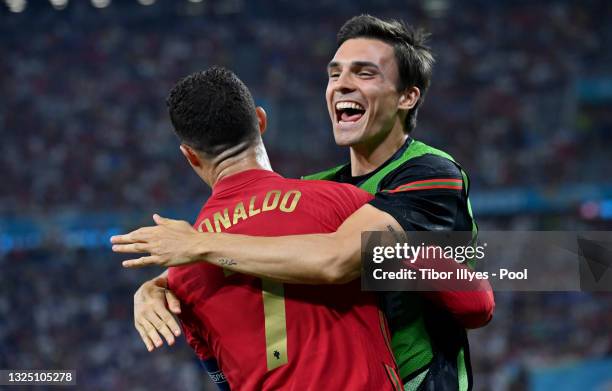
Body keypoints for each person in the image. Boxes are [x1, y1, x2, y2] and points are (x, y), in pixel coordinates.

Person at [113, 15, 494, 390]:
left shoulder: (429, 172)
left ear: (407, 96)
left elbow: (337, 257)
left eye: (364, 73)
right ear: (259, 122)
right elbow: (271, 245)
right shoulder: (320, 192)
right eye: (334, 74)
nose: (342, 84)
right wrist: (157, 286)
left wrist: (198, 248)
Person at [129, 66, 402, 390]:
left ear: (190, 156)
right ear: (260, 120)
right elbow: (471, 300)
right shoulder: (345, 204)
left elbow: (225, 382)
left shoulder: (183, 276)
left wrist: (160, 283)